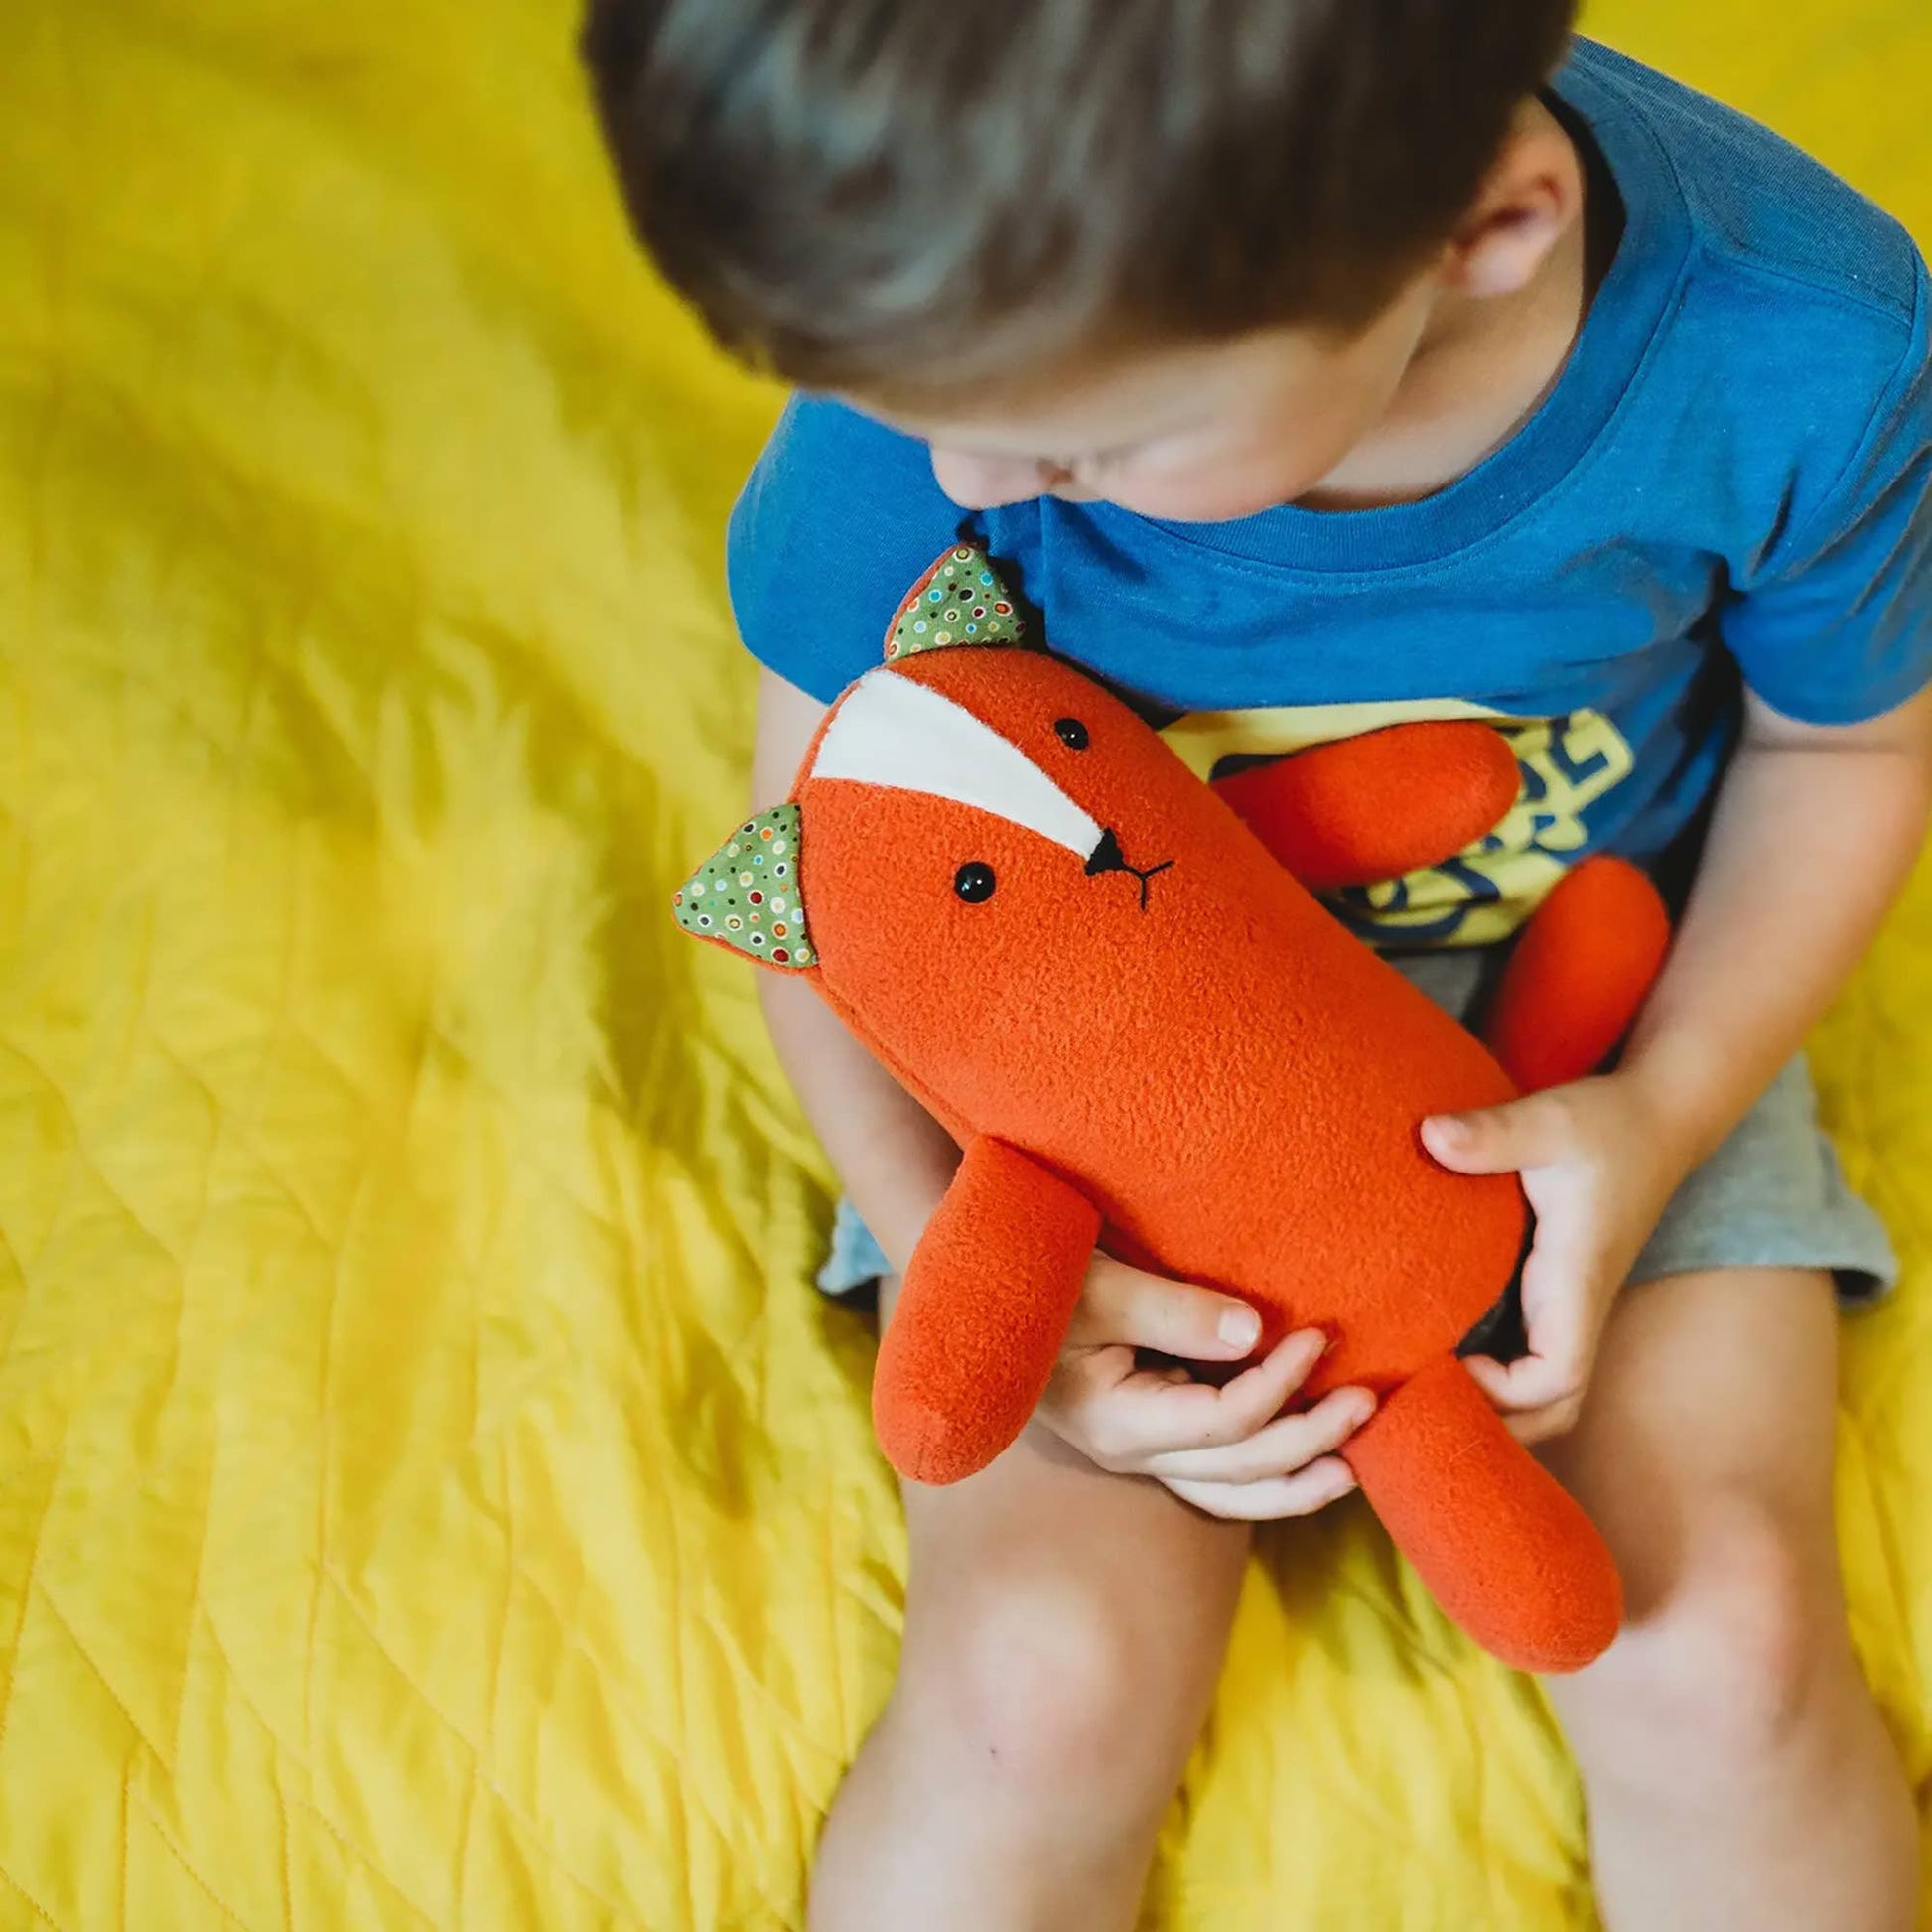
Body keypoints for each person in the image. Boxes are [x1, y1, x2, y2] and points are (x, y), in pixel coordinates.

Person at [585, 4, 1931, 1926]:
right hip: (1065, 1068)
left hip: (1592, 1007)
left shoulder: (1801, 343)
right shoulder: (944, 356)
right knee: (1039, 1682)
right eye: (893, 407)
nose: (962, 485)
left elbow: (1845, 744)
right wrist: (983, 1264)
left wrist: (1662, 1111)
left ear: (1484, 227)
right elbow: (827, 868)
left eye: (1079, 434)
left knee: (1723, 1648)